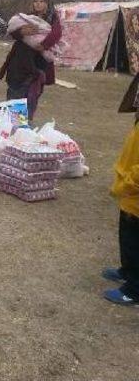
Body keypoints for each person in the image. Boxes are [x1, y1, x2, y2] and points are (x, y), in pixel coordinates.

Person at [102, 76, 139, 306]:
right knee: (127, 236)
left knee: (135, 240)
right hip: (129, 193)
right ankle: (127, 270)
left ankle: (134, 290)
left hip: (134, 191)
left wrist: (125, 184)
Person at [0, 0, 62, 121]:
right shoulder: (26, 18)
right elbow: (12, 30)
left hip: (38, 61)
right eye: (35, 1)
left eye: (41, 1)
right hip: (20, 59)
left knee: (31, 93)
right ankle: (12, 123)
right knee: (15, 90)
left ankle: (22, 124)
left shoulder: (52, 19)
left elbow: (56, 34)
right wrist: (21, 32)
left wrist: (43, 45)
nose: (38, 4)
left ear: (47, 3)